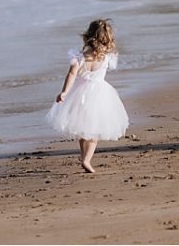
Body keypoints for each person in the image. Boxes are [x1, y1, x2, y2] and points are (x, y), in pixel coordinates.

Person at [46, 18, 129, 172]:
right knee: (94, 129)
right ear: (107, 39)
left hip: (79, 94)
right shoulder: (107, 57)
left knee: (82, 128)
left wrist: (64, 92)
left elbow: (72, 74)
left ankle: (83, 155)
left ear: (88, 35)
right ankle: (86, 160)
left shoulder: (79, 57)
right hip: (100, 95)